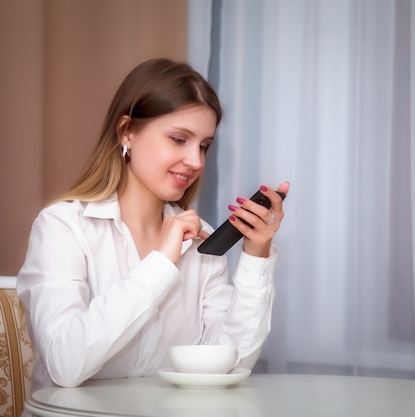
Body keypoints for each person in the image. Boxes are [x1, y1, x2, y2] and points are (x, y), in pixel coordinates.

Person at [16, 58, 290, 396]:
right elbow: (65, 364)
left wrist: (256, 253)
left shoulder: (199, 238)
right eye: (179, 139)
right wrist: (160, 263)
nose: (196, 161)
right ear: (126, 132)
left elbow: (231, 364)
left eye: (204, 146)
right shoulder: (62, 227)